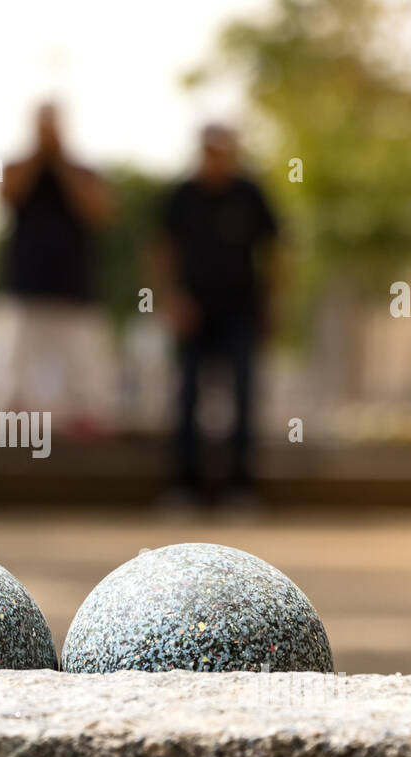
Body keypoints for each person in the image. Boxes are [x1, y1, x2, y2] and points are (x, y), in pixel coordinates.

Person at [156, 124, 281, 499]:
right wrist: (169, 299)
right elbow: (161, 250)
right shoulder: (182, 196)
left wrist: (274, 305)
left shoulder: (250, 194)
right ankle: (184, 484)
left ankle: (242, 485)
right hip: (194, 312)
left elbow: (274, 252)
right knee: (187, 395)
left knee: (244, 395)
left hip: (241, 310)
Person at [0, 102, 116, 434]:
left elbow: (100, 211)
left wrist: (60, 163)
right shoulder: (15, 166)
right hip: (23, 284)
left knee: (86, 368)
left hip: (73, 286)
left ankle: (86, 419)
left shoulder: (82, 171)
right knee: (9, 368)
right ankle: (8, 424)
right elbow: (5, 196)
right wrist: (39, 157)